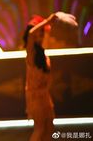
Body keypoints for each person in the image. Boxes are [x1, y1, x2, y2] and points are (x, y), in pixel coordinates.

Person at [23, 12, 78, 141]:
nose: (41, 34)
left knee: (49, 128)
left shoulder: (41, 52)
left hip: (45, 97)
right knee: (40, 128)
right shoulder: (31, 53)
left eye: (42, 32)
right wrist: (47, 21)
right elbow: (31, 34)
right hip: (35, 97)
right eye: (39, 32)